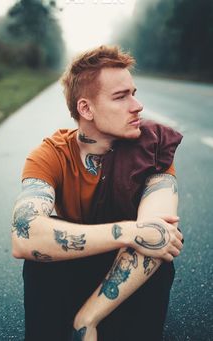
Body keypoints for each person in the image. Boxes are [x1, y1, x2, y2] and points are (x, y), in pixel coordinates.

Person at [11, 45, 183, 341]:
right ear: (85, 108)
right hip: (72, 267)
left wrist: (87, 319)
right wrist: (130, 231)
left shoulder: (152, 149)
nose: (137, 105)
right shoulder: (51, 154)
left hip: (123, 279)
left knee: (160, 260)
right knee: (39, 264)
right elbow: (24, 236)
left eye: (133, 92)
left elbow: (159, 236)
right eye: (121, 97)